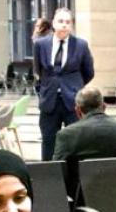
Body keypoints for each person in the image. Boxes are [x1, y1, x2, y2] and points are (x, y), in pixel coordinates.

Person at [52, 85, 116, 199]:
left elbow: (56, 176)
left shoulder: (67, 135)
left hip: (83, 201)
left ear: (78, 110)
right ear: (104, 107)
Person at [33, 8, 95, 161]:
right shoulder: (40, 45)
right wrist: (46, 89)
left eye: (68, 22)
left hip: (73, 102)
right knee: (48, 143)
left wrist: (75, 87)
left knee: (76, 144)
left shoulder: (81, 45)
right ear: (54, 23)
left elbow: (89, 72)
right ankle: (49, 178)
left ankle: (74, 179)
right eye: (60, 21)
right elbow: (37, 71)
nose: (64, 25)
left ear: (71, 26)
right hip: (49, 102)